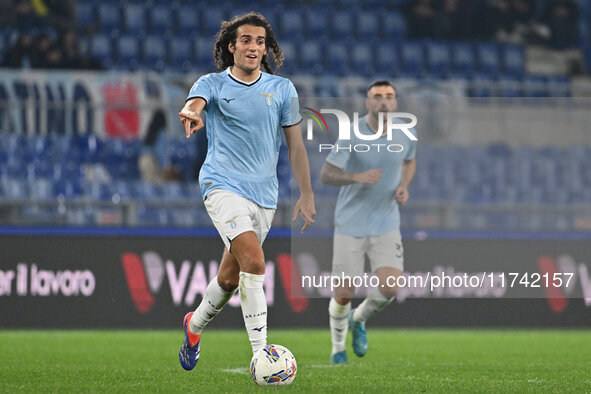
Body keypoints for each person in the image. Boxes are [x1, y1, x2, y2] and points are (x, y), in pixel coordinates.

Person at [177, 12, 315, 371]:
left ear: (267, 49)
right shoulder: (213, 83)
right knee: (254, 261)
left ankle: (193, 326)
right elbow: (195, 103)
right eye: (246, 40)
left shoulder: (282, 90)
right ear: (231, 46)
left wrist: (307, 192)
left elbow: (296, 146)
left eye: (260, 41)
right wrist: (191, 112)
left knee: (228, 278)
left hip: (264, 196)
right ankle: (262, 355)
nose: (253, 47)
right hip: (221, 185)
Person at [320, 80, 417, 364]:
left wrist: (404, 186)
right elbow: (326, 174)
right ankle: (338, 349)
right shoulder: (352, 134)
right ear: (368, 103)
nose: (384, 102)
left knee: (389, 288)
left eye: (389, 97)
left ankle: (358, 320)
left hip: (386, 221)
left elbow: (409, 161)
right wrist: (355, 177)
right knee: (343, 293)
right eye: (377, 97)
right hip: (350, 223)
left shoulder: (407, 132)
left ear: (396, 102)